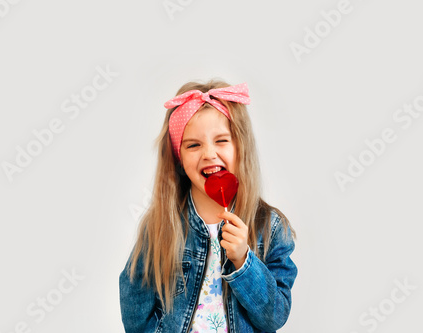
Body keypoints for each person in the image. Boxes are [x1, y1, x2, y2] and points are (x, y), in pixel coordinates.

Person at [119, 79, 298, 332]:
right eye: (193, 145)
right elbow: (134, 305)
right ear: (178, 157)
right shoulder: (161, 226)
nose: (209, 154)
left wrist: (243, 261)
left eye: (222, 140)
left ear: (241, 147)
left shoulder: (270, 226)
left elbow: (274, 317)